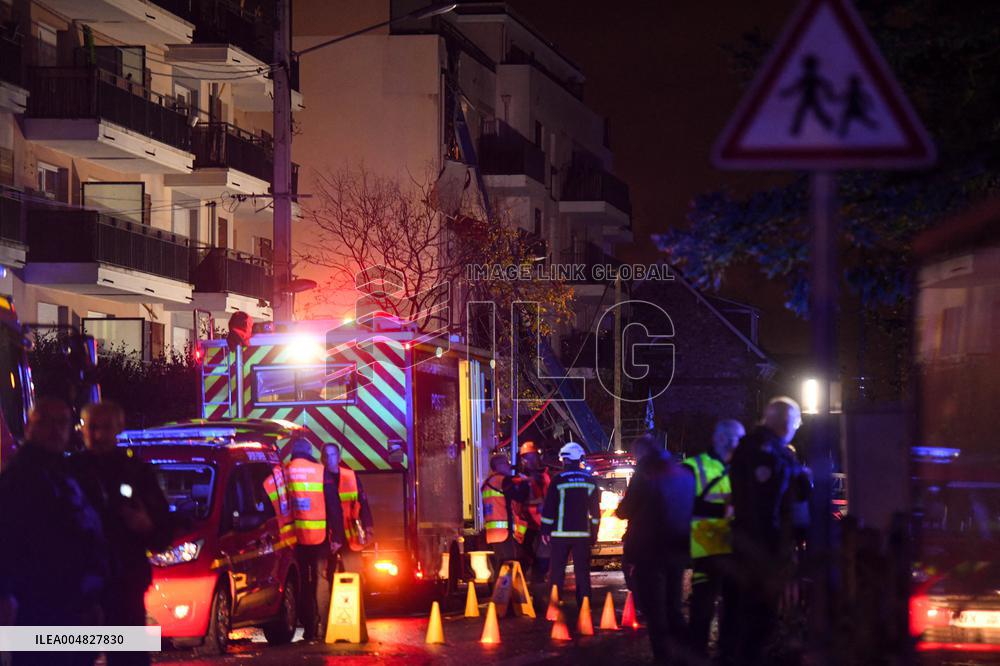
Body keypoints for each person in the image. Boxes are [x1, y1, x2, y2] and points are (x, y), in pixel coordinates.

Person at [0, 398, 108, 666]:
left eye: (62, 422)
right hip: (38, 606)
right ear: (30, 427)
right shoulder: (19, 478)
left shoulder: (65, 473)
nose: (56, 429)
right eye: (46, 422)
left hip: (73, 604)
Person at [72, 402, 172, 666]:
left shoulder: (137, 472)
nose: (99, 435)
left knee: (129, 658)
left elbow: (164, 530)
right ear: (83, 429)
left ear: (119, 428)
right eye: (93, 427)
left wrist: (146, 525)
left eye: (106, 427)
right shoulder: (71, 472)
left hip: (124, 583)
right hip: (81, 585)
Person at [729, 397, 803, 665]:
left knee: (743, 619)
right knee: (761, 622)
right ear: (787, 423)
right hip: (763, 550)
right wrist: (778, 551)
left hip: (743, 545)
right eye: (795, 425)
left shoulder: (746, 448)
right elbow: (771, 506)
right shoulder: (771, 454)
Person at [616, 434, 694, 665]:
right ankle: (687, 653)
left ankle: (663, 657)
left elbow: (626, 509)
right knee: (674, 606)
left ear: (640, 453)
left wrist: (621, 509)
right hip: (679, 548)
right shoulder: (682, 472)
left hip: (650, 550)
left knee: (654, 609)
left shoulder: (645, 473)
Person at [683, 419, 745, 660]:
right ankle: (696, 655)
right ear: (719, 438)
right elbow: (683, 506)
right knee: (702, 607)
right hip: (706, 550)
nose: (737, 444)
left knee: (733, 608)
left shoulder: (743, 467)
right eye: (736, 438)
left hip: (734, 550)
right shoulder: (694, 466)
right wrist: (723, 511)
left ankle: (727, 655)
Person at [540, 442, 600, 610]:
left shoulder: (558, 479)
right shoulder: (590, 480)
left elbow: (549, 508)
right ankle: (584, 604)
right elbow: (595, 512)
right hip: (582, 535)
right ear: (579, 459)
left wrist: (545, 530)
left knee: (557, 571)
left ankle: (554, 604)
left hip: (560, 535)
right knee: (582, 571)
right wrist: (594, 533)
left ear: (565, 460)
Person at [287, 437, 328, 641]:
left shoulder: (284, 471)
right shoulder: (320, 471)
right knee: (321, 580)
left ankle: (308, 627)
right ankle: (324, 626)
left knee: (302, 582)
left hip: (294, 539)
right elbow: (331, 502)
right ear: (310, 451)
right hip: (320, 537)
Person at [481, 451, 530, 568]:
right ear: (499, 466)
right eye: (506, 463)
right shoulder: (502, 480)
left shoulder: (488, 483)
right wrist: (525, 483)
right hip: (505, 533)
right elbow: (519, 496)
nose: (509, 466)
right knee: (512, 565)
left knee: (501, 567)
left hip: (493, 534)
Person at [517, 441, 551, 583]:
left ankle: (538, 578)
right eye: (527, 457)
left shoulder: (544, 476)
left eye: (532, 457)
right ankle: (528, 579)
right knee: (525, 553)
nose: (530, 461)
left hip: (541, 523)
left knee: (542, 554)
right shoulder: (521, 478)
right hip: (528, 523)